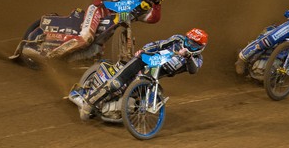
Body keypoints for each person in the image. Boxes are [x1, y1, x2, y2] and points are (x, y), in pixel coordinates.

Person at [70, 28, 209, 121]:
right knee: (117, 83)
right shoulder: (178, 40)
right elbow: (159, 44)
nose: (189, 45)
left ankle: (115, 110)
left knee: (140, 99)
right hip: (144, 60)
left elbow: (193, 70)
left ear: (201, 48)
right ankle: (89, 102)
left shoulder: (197, 59)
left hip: (152, 76)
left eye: (194, 45)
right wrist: (143, 49)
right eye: (189, 41)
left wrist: (188, 56)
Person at [46, 0, 165, 58]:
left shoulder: (142, 12)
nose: (152, 2)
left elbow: (153, 19)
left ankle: (65, 60)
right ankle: (53, 53)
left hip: (108, 28)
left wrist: (157, 5)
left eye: (156, 0)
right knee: (86, 37)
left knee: (95, 53)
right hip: (100, 11)